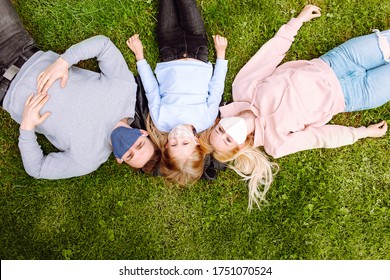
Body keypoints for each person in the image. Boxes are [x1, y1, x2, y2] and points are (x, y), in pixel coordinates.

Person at [201, 4, 389, 209]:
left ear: (219, 121)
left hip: (338, 62)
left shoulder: (242, 89)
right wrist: (362, 133)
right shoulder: (276, 144)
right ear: (239, 146)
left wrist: (297, 22)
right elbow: (321, 137)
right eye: (228, 139)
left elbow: (269, 55)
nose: (228, 130)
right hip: (356, 95)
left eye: (220, 129)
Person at [0, 0, 160, 179]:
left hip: (4, 93)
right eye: (139, 145)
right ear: (143, 133)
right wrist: (64, 61)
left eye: (129, 155)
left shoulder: (88, 160)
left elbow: (37, 169)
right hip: (17, 45)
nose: (129, 147)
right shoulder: (126, 92)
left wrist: (27, 127)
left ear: (120, 160)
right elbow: (104, 46)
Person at [127, 0, 228, 186]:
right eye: (185, 143)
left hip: (169, 51)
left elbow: (151, 91)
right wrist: (221, 56)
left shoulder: (161, 121)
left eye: (173, 145)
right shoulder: (206, 119)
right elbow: (216, 89)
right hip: (198, 50)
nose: (178, 138)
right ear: (197, 142)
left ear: (165, 146)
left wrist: (140, 57)